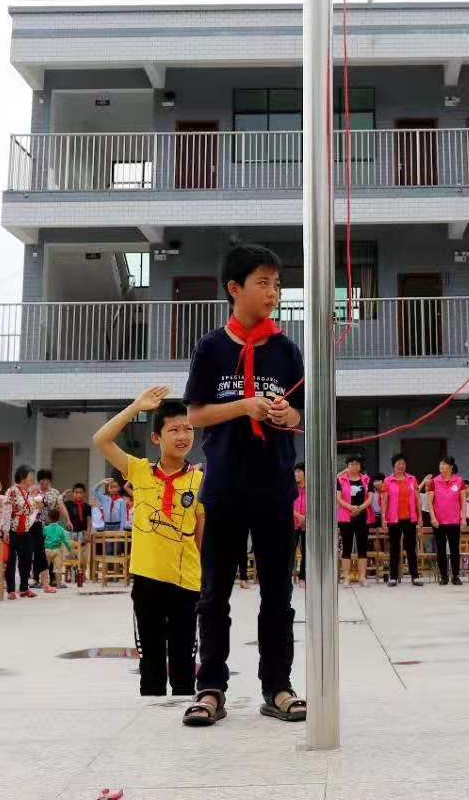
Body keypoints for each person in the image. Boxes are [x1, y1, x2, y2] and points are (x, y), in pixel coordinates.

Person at [183, 242, 305, 727]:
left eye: (277, 284)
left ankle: (278, 687)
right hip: (225, 486)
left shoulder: (287, 350)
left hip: (275, 486)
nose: (273, 292)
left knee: (278, 594)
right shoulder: (211, 348)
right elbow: (196, 414)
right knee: (214, 593)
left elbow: (299, 414)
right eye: (263, 283)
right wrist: (245, 406)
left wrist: (284, 413)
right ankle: (210, 687)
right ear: (235, 288)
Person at [94, 387, 206, 698]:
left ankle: (184, 717)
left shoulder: (200, 480)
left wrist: (205, 579)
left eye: (188, 429)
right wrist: (136, 407)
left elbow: (202, 534)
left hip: (187, 583)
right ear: (156, 437)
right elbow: (101, 440)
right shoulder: (140, 471)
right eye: (174, 430)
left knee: (184, 665)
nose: (182, 436)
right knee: (151, 665)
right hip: (147, 581)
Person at [422, 457, 467, 586]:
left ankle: (456, 576)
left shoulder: (459, 481)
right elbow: (429, 503)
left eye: (444, 464)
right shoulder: (434, 482)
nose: (441, 466)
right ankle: (444, 576)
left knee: (454, 549)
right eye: (440, 464)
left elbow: (463, 501)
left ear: (451, 467)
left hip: (454, 521)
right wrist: (433, 518)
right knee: (440, 549)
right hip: (439, 522)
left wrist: (463, 518)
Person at [380, 454, 422, 587]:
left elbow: (418, 500)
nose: (401, 466)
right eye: (398, 463)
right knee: (394, 548)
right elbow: (384, 501)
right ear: (394, 465)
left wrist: (420, 516)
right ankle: (393, 577)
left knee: (411, 548)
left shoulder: (412, 479)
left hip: (410, 518)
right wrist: (383, 518)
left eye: (403, 463)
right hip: (393, 518)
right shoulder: (388, 481)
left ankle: (415, 576)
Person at [3, 466, 42, 600]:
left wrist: (37, 507)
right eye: (30, 476)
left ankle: (24, 588)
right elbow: (7, 510)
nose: (32, 479)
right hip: (12, 529)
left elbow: (31, 510)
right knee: (11, 560)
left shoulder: (28, 493)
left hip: (25, 528)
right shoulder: (12, 491)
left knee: (27, 558)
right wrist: (5, 530)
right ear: (22, 477)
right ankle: (11, 590)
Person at [335, 454, 371, 586]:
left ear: (360, 466)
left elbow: (370, 497)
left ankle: (362, 577)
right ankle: (346, 577)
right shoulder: (340, 480)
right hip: (346, 516)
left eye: (356, 464)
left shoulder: (366, 479)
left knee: (362, 547)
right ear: (347, 466)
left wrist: (360, 508)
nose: (354, 466)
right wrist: (350, 507)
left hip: (362, 515)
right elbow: (338, 498)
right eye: (351, 464)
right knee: (346, 547)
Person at [31, 469, 68, 591]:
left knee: (52, 551)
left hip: (50, 526)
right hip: (37, 525)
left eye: (46, 479)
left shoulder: (55, 493)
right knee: (38, 552)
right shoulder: (35, 492)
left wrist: (68, 519)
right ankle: (35, 578)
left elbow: (61, 506)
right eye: (41, 479)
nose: (43, 482)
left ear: (50, 480)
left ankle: (52, 579)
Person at [64, 483, 93, 586]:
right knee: (69, 554)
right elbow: (58, 504)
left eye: (80, 492)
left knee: (83, 555)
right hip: (71, 532)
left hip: (82, 532)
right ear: (73, 493)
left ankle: (82, 573)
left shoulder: (87, 506)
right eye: (76, 492)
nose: (78, 494)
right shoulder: (68, 504)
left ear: (84, 494)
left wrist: (88, 533)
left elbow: (89, 521)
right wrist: (64, 495)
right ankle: (68, 573)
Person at [41, 510, 74, 585]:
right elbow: (66, 541)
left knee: (45, 568)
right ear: (58, 518)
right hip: (57, 550)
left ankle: (44, 583)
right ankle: (59, 584)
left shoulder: (45, 528)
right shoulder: (61, 529)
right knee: (58, 568)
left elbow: (41, 538)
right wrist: (70, 550)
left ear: (49, 518)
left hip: (47, 550)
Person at [292, 463, 308, 585]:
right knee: (290, 550)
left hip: (307, 524)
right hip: (292, 523)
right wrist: (299, 516)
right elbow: (287, 503)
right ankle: (289, 576)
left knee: (306, 551)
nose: (296, 474)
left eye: (299, 471)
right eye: (295, 471)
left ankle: (303, 576)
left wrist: (306, 518)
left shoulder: (311, 488)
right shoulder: (291, 487)